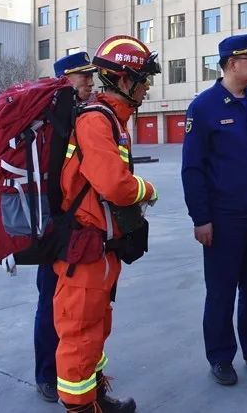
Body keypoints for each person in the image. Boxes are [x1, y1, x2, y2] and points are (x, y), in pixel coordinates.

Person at [55, 35, 159, 412]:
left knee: (97, 326)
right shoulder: (97, 120)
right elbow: (114, 183)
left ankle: (95, 396)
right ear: (125, 79)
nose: (147, 88)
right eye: (144, 79)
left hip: (100, 246)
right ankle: (80, 407)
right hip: (83, 247)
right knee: (79, 333)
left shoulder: (112, 119)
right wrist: (146, 189)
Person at [181, 33, 247, 386]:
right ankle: (221, 356)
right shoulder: (204, 107)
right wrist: (201, 218)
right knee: (222, 290)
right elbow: (192, 168)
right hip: (223, 219)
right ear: (230, 63)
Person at [34, 52, 97, 402]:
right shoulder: (52, 119)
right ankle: (47, 374)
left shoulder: (87, 115)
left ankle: (75, 369)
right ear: (63, 80)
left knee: (76, 306)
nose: (89, 82)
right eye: (82, 76)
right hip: (55, 226)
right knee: (51, 300)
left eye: (90, 76)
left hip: (80, 226)